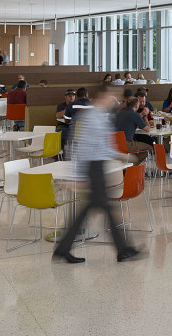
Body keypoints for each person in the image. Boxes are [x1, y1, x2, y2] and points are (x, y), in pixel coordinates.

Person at [54, 84, 141, 264]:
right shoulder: (89, 117)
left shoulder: (103, 116)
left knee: (92, 210)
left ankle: (64, 248)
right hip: (92, 168)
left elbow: (103, 147)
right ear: (102, 96)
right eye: (112, 96)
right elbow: (77, 147)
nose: (115, 100)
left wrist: (120, 156)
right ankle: (123, 250)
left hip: (98, 166)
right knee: (104, 209)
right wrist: (75, 177)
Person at [114, 97, 154, 162]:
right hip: (127, 144)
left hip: (115, 143)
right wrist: (145, 115)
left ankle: (130, 163)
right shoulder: (135, 115)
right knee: (149, 148)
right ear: (136, 105)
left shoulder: (119, 113)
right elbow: (147, 129)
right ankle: (133, 164)